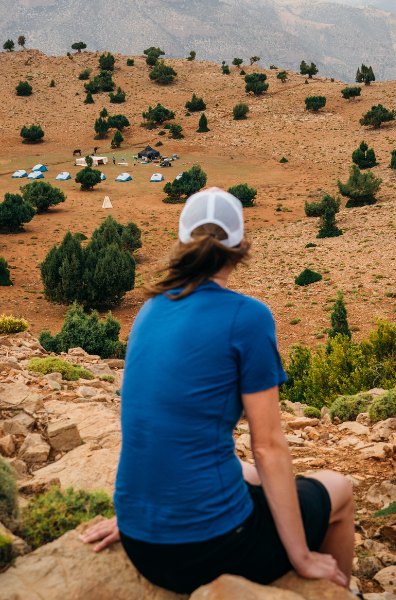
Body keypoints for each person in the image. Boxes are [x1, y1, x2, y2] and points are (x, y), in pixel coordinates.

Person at [81, 187, 354, 593]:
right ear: (241, 246)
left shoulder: (149, 309)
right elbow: (268, 447)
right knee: (341, 489)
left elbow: (150, 422)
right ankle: (340, 590)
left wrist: (140, 514)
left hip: (141, 541)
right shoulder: (248, 316)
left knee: (244, 473)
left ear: (182, 242)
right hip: (213, 546)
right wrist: (299, 554)